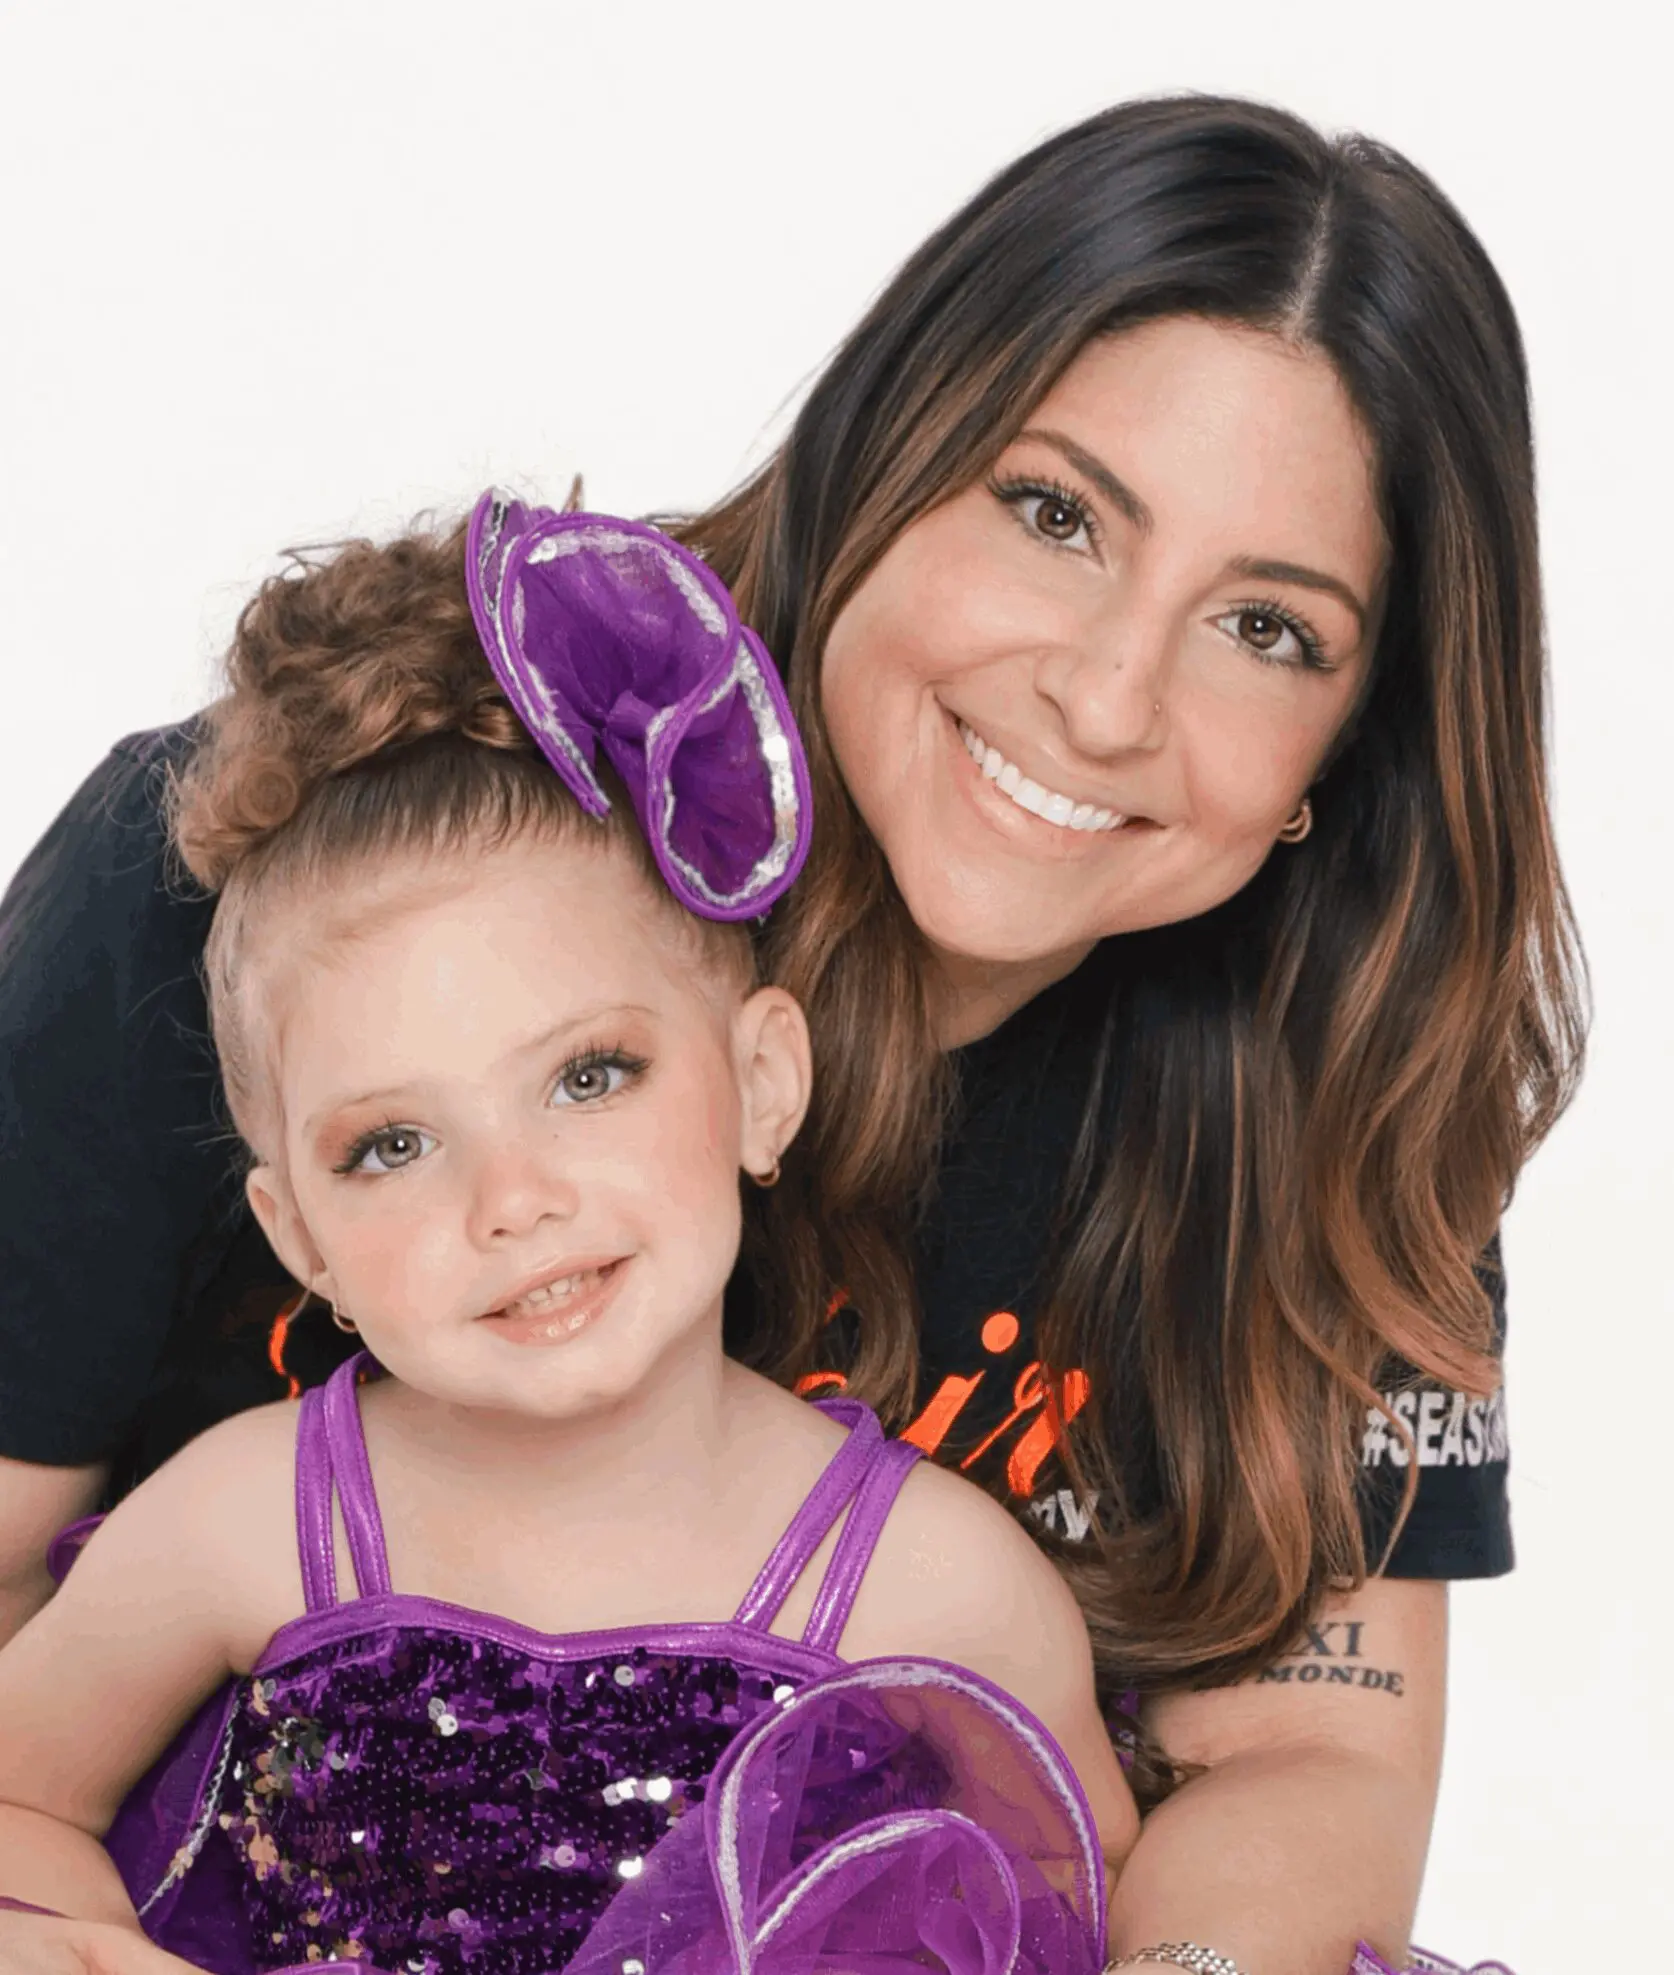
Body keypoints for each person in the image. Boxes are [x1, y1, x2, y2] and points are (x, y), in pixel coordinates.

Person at [0, 97, 1581, 1975]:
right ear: (884, 448)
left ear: (1349, 744)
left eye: (1265, 628)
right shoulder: (299, 875)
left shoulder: (1346, 1090)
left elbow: (1308, 1754)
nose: (1101, 695)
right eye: (1053, 512)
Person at [0, 495, 1134, 1975]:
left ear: (760, 1083)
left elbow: (1085, 1907)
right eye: (392, 1144)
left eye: (589, 1076)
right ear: (301, 1234)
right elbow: (19, 1795)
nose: (512, 1197)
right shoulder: (247, 1523)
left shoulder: (939, 1586)